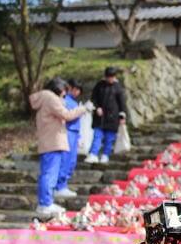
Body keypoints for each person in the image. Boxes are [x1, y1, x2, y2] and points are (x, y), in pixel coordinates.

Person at [30, 77, 87, 214]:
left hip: (49, 141)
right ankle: (45, 203)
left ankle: (46, 202)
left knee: (48, 173)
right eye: (64, 92)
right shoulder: (51, 98)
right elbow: (66, 115)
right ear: (59, 89)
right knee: (49, 173)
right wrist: (82, 109)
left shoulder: (45, 98)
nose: (64, 95)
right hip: (53, 142)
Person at [84, 67, 127, 164]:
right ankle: (93, 154)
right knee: (97, 136)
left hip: (113, 117)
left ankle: (105, 155)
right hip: (100, 117)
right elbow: (93, 98)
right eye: (108, 77)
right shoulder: (99, 85)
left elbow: (122, 103)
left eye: (112, 77)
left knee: (109, 138)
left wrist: (122, 116)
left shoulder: (118, 87)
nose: (110, 79)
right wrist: (97, 107)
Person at [55, 79, 83, 197]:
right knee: (65, 159)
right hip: (67, 132)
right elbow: (68, 116)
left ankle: (63, 184)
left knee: (71, 161)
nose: (77, 92)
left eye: (79, 90)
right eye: (75, 89)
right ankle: (59, 186)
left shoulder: (74, 102)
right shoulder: (65, 101)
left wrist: (80, 136)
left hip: (74, 133)